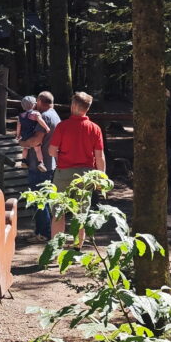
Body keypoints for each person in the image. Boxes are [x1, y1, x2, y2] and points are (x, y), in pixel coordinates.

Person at [45, 92, 105, 237]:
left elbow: (52, 151)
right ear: (87, 108)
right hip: (86, 175)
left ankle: (56, 248)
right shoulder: (95, 128)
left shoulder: (62, 126)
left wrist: (60, 156)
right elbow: (100, 156)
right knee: (81, 214)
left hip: (63, 172)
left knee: (58, 212)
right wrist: (101, 178)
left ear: (73, 105)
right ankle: (77, 250)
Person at [26, 91, 61, 240]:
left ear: (40, 101)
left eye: (37, 102)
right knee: (45, 198)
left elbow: (36, 140)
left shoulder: (45, 117)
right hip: (51, 163)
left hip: (40, 165)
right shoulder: (55, 115)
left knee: (39, 200)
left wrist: (22, 143)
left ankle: (44, 233)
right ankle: (44, 231)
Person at [15, 96, 50, 173]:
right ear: (33, 105)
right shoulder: (35, 113)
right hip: (33, 135)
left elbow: (18, 126)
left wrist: (18, 135)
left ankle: (23, 160)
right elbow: (40, 121)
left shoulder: (21, 116)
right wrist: (47, 127)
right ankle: (41, 163)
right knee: (38, 150)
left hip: (24, 136)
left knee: (25, 148)